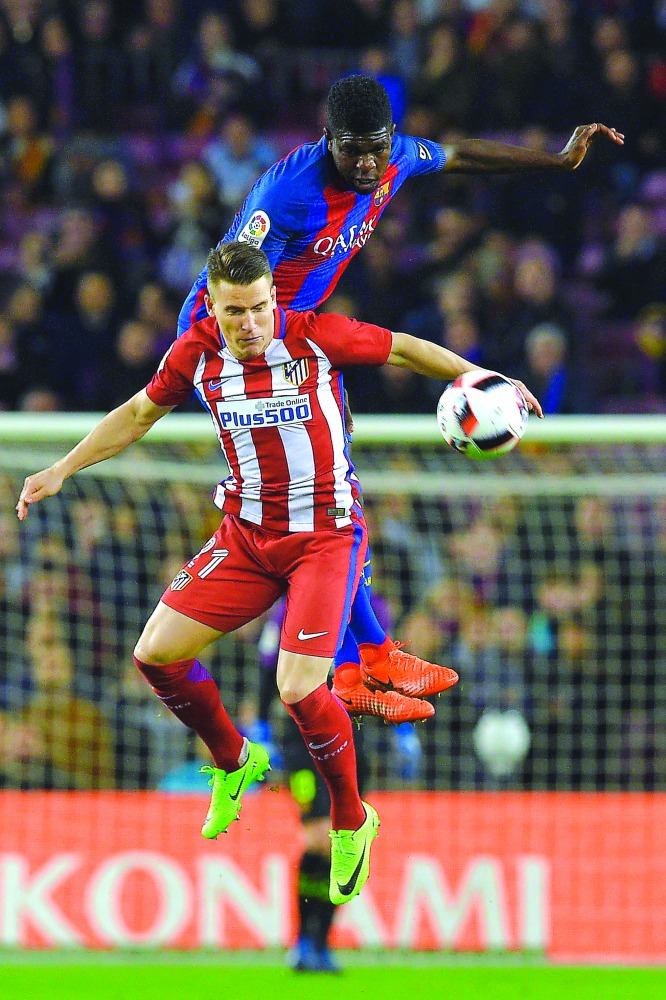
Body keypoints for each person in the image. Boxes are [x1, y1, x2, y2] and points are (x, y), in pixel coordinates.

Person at [16, 241, 542, 905]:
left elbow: (406, 347)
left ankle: (353, 818)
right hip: (246, 535)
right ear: (211, 305)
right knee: (154, 655)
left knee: (297, 687)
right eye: (236, 311)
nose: (251, 323)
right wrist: (62, 467)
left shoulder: (315, 336)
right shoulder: (195, 353)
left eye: (261, 307)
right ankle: (236, 760)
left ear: (274, 299)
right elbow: (138, 414)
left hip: (325, 537)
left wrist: (483, 376)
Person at [177, 74, 623, 723]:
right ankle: (359, 662)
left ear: (389, 139)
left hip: (293, 341)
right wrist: (275, 362)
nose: (364, 163)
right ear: (327, 139)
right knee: (324, 503)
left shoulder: (395, 160)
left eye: (375, 149)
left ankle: (364, 658)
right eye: (351, 149)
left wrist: (557, 158)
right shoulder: (287, 194)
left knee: (335, 501)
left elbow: (462, 153)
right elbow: (234, 287)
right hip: (233, 345)